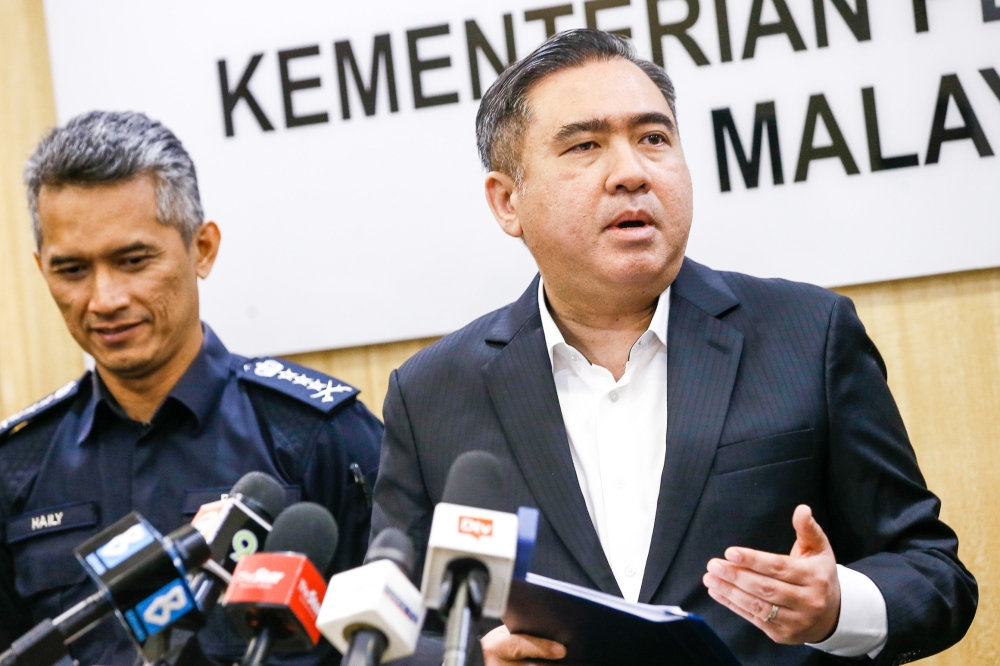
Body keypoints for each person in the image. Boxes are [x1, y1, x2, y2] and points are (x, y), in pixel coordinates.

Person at [370, 30, 977, 666]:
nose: (632, 172)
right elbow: (391, 629)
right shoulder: (432, 393)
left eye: (654, 138)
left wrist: (837, 608)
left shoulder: (808, 334)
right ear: (507, 201)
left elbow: (933, 573)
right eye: (585, 145)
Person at [0, 111, 383, 665]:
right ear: (42, 270)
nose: (105, 299)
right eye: (73, 271)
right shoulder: (17, 467)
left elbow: (410, 635)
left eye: (133, 261)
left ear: (201, 249)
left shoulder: (317, 435)